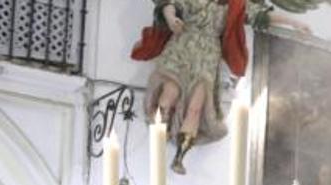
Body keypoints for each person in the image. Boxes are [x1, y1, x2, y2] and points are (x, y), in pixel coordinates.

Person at [129, 0, 304, 174]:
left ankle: (179, 156)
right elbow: (170, 4)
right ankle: (161, 130)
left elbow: (261, 16)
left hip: (207, 57)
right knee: (168, 95)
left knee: (196, 108)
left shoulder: (234, 4)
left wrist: (294, 23)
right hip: (181, 48)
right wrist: (171, 18)